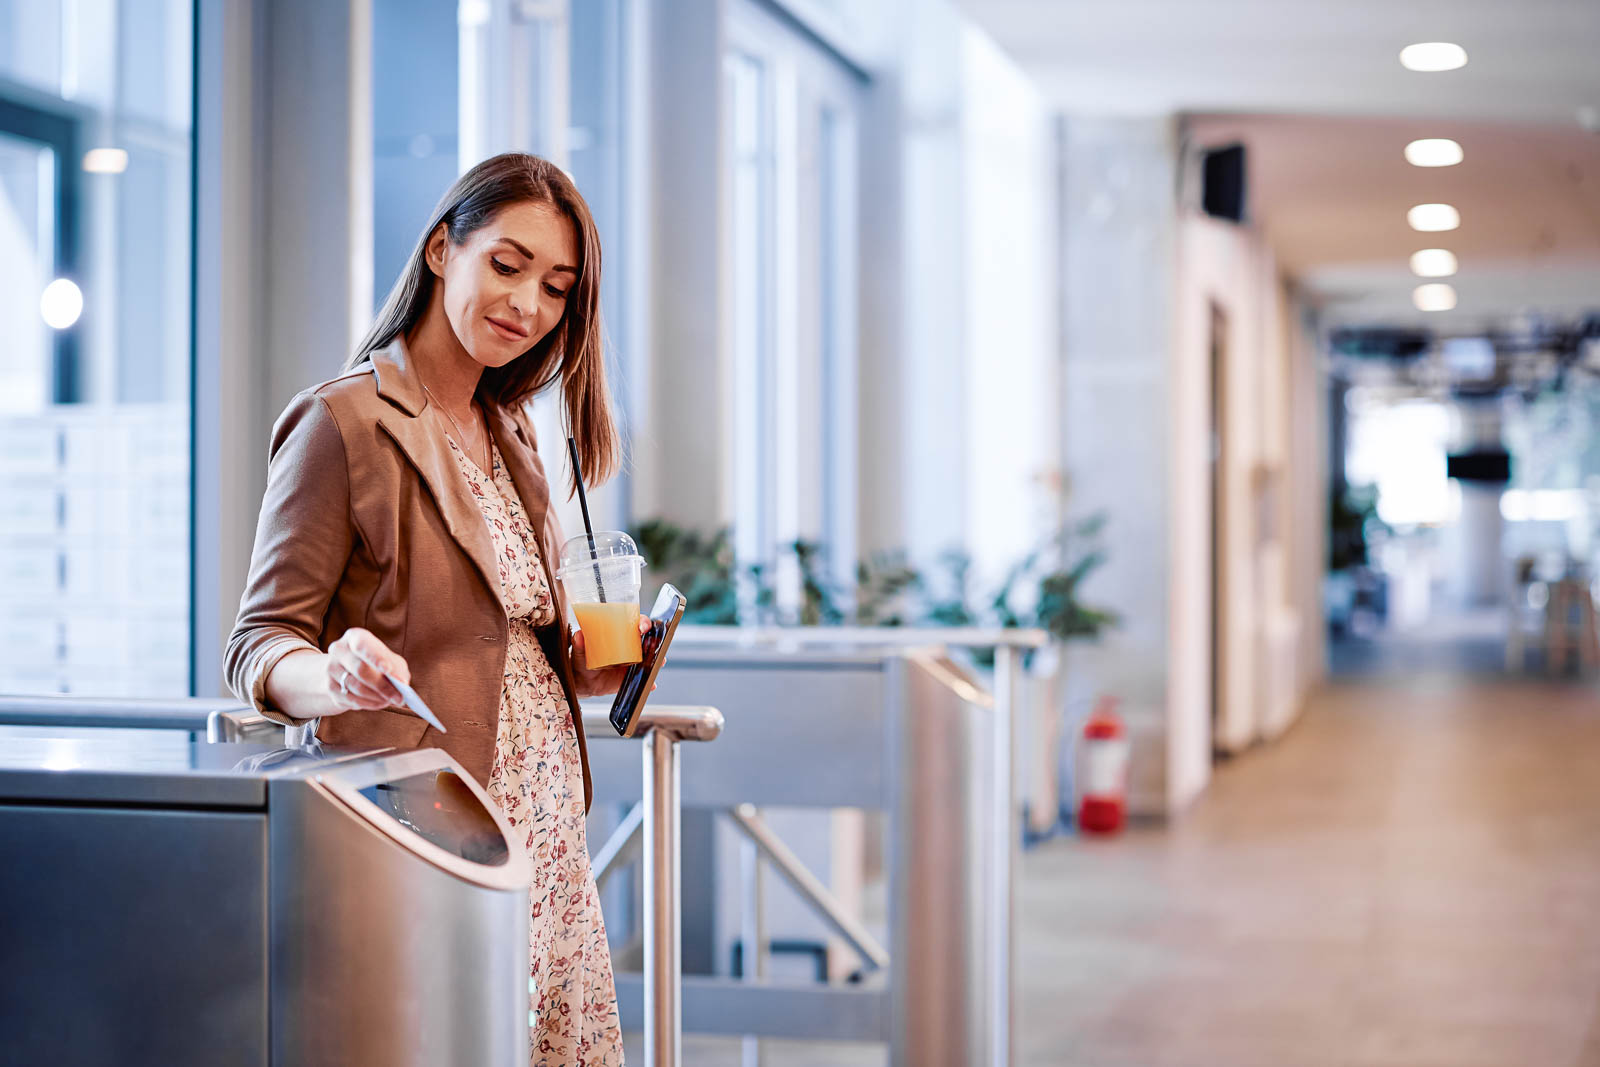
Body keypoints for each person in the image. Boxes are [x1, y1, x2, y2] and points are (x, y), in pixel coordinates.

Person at [226, 152, 630, 1065]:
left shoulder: (513, 430)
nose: (529, 305)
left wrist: (588, 664)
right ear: (444, 249)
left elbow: (503, 636)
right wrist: (330, 675)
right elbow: (258, 644)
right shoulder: (342, 423)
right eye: (508, 263)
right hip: (435, 837)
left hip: (550, 839)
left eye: (558, 288)